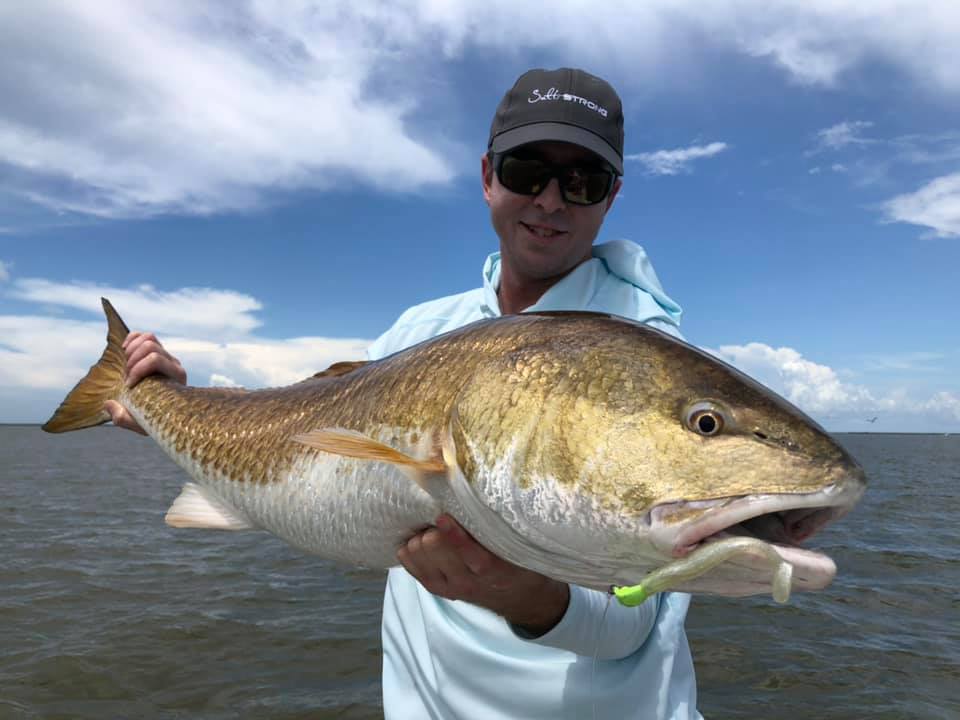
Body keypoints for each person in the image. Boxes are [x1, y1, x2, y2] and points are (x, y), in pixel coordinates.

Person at [107, 68, 702, 719]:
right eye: (527, 171)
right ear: (487, 176)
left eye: (582, 181)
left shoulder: (653, 368)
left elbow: (638, 623)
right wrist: (169, 405)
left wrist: (534, 597)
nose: (552, 201)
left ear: (611, 198)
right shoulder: (418, 331)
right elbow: (297, 439)